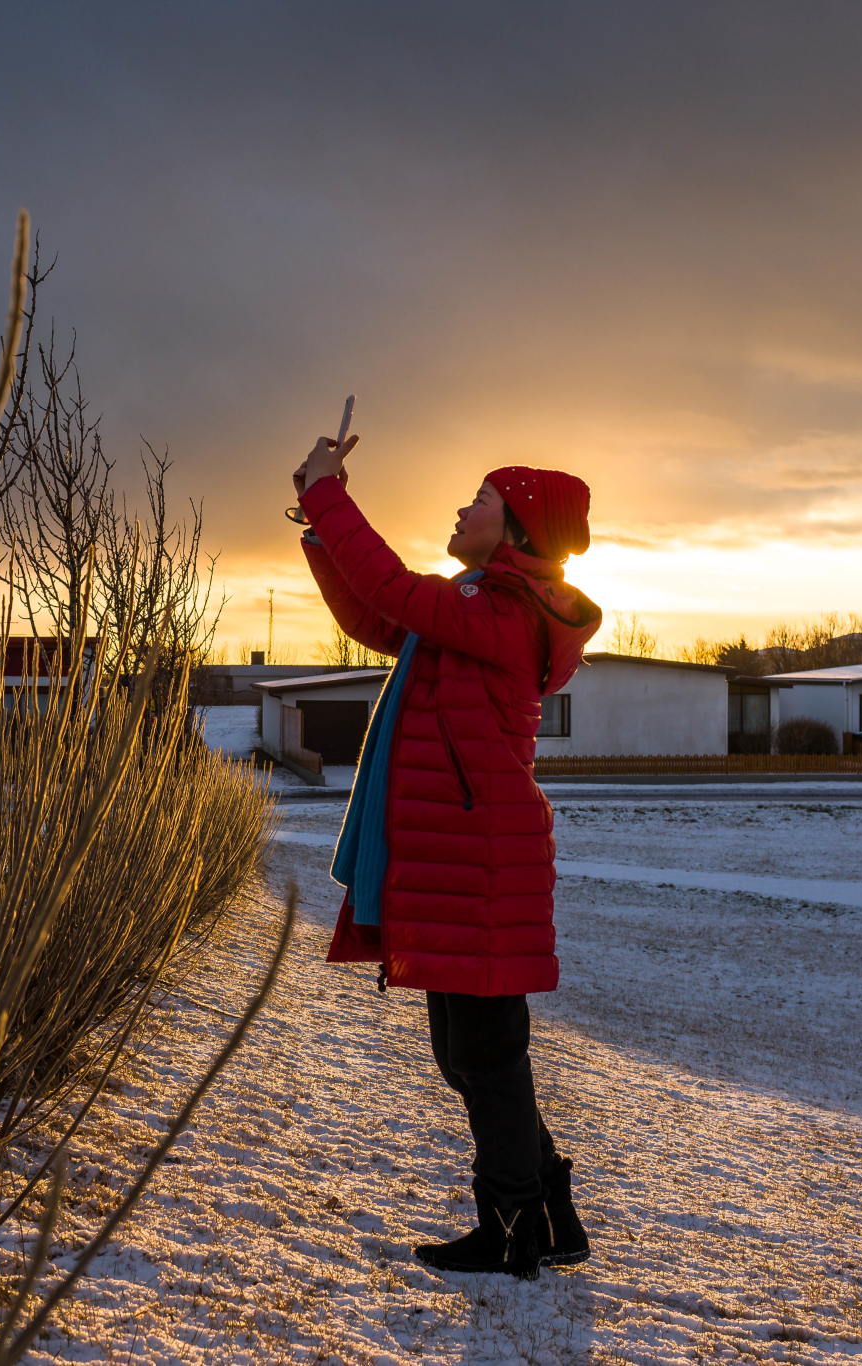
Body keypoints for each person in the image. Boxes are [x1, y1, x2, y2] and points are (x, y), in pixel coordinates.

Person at [290, 432, 602, 1280]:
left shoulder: (505, 614)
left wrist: (330, 495)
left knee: (485, 1056)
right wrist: (319, 528)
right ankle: (550, 1214)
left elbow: (394, 587)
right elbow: (373, 614)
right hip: (462, 861)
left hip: (482, 864)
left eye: (482, 500)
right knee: (469, 1055)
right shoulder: (474, 606)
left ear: (520, 531)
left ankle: (512, 1230)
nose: (464, 508)